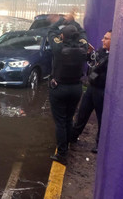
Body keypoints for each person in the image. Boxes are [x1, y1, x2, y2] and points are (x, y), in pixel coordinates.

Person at [47, 13, 88, 165]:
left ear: (62, 37)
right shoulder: (83, 47)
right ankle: (69, 143)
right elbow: (82, 33)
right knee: (69, 119)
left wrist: (61, 21)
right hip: (76, 88)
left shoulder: (58, 47)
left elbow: (51, 31)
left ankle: (62, 154)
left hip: (59, 88)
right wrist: (74, 22)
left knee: (60, 122)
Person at [70, 30, 112, 153]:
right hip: (92, 88)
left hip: (102, 90)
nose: (102, 40)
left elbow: (98, 68)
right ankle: (73, 136)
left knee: (101, 118)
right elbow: (92, 63)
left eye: (106, 38)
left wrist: (93, 71)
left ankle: (100, 143)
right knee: (82, 113)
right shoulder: (101, 51)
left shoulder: (113, 57)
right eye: (104, 37)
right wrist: (89, 53)